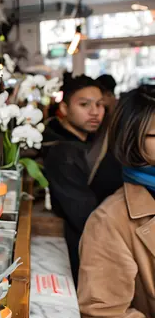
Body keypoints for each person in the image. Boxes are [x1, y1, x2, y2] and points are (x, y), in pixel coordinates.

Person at [78, 85, 155, 318]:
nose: (94, 112)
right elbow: (104, 313)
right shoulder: (110, 219)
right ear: (132, 140)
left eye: (99, 104)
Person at [42, 74, 123, 287]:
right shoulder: (62, 152)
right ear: (65, 108)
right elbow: (85, 215)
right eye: (84, 104)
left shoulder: (89, 142)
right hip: (86, 249)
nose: (95, 112)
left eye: (99, 104)